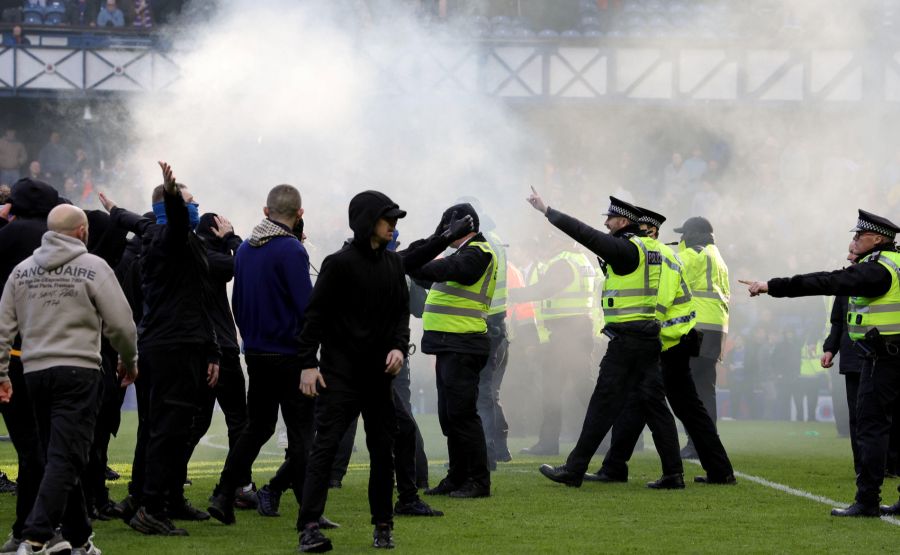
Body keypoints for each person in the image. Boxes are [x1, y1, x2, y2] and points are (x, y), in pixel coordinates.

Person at [296, 191, 464, 552]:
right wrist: (308, 364)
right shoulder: (337, 264)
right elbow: (314, 318)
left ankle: (383, 525)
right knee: (324, 449)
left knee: (382, 451)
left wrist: (398, 348)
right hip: (339, 375)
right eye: (389, 220)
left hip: (377, 378)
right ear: (367, 222)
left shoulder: (392, 265)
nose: (394, 226)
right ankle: (309, 526)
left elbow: (399, 318)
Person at [741, 209, 900, 517]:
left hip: (883, 359)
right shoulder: (894, 263)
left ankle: (867, 500)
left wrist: (771, 286)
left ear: (877, 239)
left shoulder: (877, 269)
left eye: (859, 235)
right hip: (892, 355)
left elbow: (826, 281)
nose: (853, 240)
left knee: (870, 428)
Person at [0, 204, 138, 555]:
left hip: (34, 374)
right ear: (81, 231)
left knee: (59, 455)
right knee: (67, 456)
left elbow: (3, 329)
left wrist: (2, 372)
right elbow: (121, 324)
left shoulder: (22, 271)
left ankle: (79, 540)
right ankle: (35, 537)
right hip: (79, 372)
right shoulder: (93, 267)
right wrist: (128, 360)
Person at [527, 192, 683, 490]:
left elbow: (584, 234)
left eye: (610, 219)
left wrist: (548, 211)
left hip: (627, 341)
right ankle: (673, 473)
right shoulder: (647, 249)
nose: (606, 223)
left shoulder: (626, 249)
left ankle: (574, 470)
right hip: (647, 336)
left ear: (623, 221)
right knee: (654, 405)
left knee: (602, 405)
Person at [587, 207, 735, 485]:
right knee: (681, 403)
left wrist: (650, 331)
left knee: (649, 400)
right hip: (698, 333)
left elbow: (661, 298)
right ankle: (719, 470)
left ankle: (639, 469)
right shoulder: (716, 259)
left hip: (669, 338)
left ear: (649, 231)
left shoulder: (670, 256)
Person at [207, 184, 317, 532]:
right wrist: (311, 357)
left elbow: (238, 301)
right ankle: (309, 512)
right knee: (302, 435)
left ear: (265, 211)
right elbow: (307, 308)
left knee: (258, 427)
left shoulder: (246, 251)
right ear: (300, 214)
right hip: (290, 354)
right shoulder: (291, 251)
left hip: (255, 351)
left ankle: (224, 493)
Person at [127, 162, 220, 536]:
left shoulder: (181, 242)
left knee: (174, 426)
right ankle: (150, 507)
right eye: (190, 202)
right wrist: (171, 194)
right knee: (166, 427)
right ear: (171, 208)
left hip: (186, 342)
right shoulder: (168, 239)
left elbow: (200, 301)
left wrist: (211, 348)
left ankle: (162, 499)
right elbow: (178, 225)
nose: (197, 207)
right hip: (172, 345)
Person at [408, 202, 497, 500]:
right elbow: (422, 271)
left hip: (463, 343)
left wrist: (428, 249)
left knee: (462, 415)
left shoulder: (478, 252)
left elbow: (443, 269)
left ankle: (478, 481)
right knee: (450, 417)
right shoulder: (460, 251)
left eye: (448, 227)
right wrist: (436, 239)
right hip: (450, 344)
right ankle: (458, 476)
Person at [0, 178, 59, 554]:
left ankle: (27, 529)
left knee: (28, 447)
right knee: (51, 448)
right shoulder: (62, 242)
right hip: (56, 355)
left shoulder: (4, 238)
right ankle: (37, 527)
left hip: (11, 355)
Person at [510, 233, 595, 456]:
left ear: (563, 241)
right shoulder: (581, 260)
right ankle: (550, 442)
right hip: (574, 332)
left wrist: (510, 294)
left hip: (567, 335)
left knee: (563, 389)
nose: (547, 245)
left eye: (551, 240)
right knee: (571, 388)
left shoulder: (563, 262)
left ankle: (550, 443)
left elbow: (543, 290)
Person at [673, 216, 730, 458]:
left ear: (692, 235)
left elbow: (671, 268)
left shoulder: (695, 254)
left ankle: (696, 443)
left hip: (696, 328)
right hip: (716, 329)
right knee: (705, 389)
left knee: (686, 390)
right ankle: (707, 442)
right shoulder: (717, 258)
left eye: (683, 234)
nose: (680, 239)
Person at [822, 253, 863, 474]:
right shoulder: (846, 282)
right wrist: (829, 348)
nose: (848, 257)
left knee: (883, 415)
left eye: (853, 253)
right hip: (852, 356)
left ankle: (890, 463)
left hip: (883, 355)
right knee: (857, 415)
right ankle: (863, 466)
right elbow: (837, 321)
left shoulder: (884, 275)